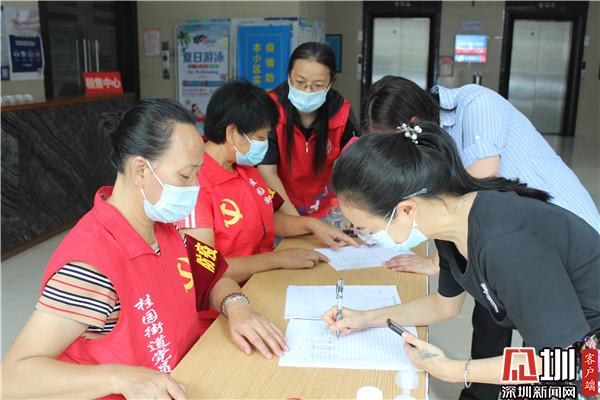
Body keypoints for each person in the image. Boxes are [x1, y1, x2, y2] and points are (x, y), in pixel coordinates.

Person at [3, 99, 287, 399]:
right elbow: (12, 377)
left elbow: (214, 276)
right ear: (141, 169)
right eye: (185, 176)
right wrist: (120, 378)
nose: (195, 187)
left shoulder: (166, 230)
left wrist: (237, 307)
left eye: (197, 174)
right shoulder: (91, 265)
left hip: (184, 381)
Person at [363, 76, 600, 399]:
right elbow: (444, 306)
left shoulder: (502, 242)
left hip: (582, 337)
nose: (372, 237)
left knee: (564, 375)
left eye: (370, 227)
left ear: (406, 208)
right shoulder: (449, 223)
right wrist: (365, 318)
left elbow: (566, 363)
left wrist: (457, 370)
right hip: (563, 331)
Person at [177, 81, 357, 283]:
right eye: (260, 137)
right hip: (227, 296)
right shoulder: (193, 183)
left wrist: (313, 225)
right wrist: (277, 259)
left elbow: (268, 220)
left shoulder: (246, 170)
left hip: (262, 280)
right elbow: (205, 268)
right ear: (232, 133)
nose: (263, 144)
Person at [258, 42, 359, 219]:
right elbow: (267, 172)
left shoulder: (341, 113)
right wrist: (298, 222)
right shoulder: (270, 109)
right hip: (280, 211)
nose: (307, 90)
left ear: (330, 83)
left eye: (318, 85)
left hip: (328, 212)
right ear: (289, 75)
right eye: (300, 82)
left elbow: (349, 171)